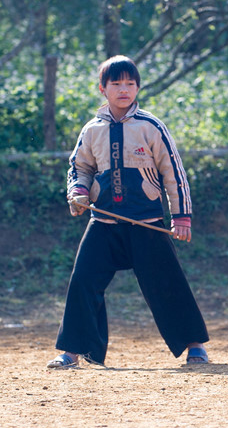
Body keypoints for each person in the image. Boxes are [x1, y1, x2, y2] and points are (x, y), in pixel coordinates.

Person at [47, 55, 210, 368]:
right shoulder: (92, 130)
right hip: (104, 222)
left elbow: (173, 172)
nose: (124, 89)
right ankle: (73, 352)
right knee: (83, 281)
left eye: (130, 83)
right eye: (116, 83)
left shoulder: (151, 127)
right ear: (102, 89)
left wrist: (181, 217)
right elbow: (79, 167)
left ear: (138, 87)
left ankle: (195, 346)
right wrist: (78, 191)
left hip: (146, 222)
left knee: (167, 283)